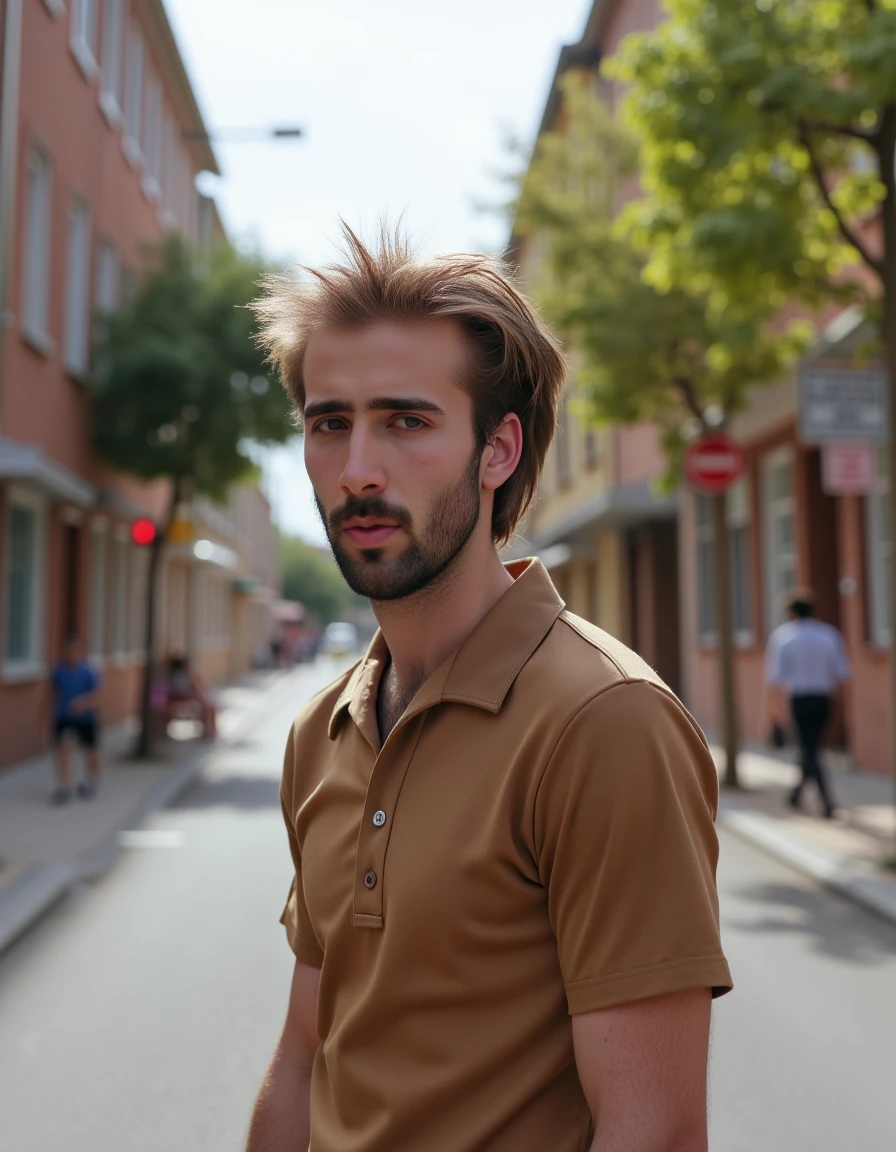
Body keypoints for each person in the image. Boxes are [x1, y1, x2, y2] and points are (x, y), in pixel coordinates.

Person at [246, 226, 733, 1152]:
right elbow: (306, 1058)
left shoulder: (605, 722)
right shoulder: (324, 727)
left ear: (498, 449)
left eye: (407, 420)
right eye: (328, 423)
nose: (357, 470)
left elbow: (656, 1131)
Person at [764, 589, 851, 819]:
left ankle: (827, 800)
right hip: (824, 700)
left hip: (800, 700)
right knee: (810, 746)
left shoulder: (783, 637)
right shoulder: (830, 635)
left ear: (792, 612)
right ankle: (796, 794)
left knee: (810, 749)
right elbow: (842, 675)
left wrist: (773, 714)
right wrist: (846, 711)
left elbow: (775, 680)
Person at [48, 635, 101, 805]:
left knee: (90, 751)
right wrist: (43, 719)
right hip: (64, 717)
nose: (71, 654)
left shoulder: (88, 671)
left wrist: (84, 704)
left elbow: (98, 695)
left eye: (74, 650)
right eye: (68, 651)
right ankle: (64, 787)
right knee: (63, 749)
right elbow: (51, 695)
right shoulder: (58, 671)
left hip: (85, 718)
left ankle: (92, 782)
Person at [165, 654, 217, 740]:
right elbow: (188, 689)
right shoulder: (181, 677)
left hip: (187, 697)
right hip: (183, 697)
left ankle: (209, 730)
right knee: (208, 706)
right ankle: (210, 730)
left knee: (209, 706)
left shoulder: (183, 676)